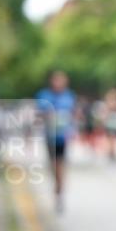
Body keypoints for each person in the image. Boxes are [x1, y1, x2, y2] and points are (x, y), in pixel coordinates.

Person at [36, 70, 76, 213]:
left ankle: (59, 191)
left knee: (61, 164)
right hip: (49, 136)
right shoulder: (44, 95)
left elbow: (73, 114)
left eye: (62, 80)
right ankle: (57, 184)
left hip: (62, 137)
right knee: (52, 166)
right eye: (57, 80)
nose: (59, 83)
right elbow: (39, 114)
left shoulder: (69, 96)